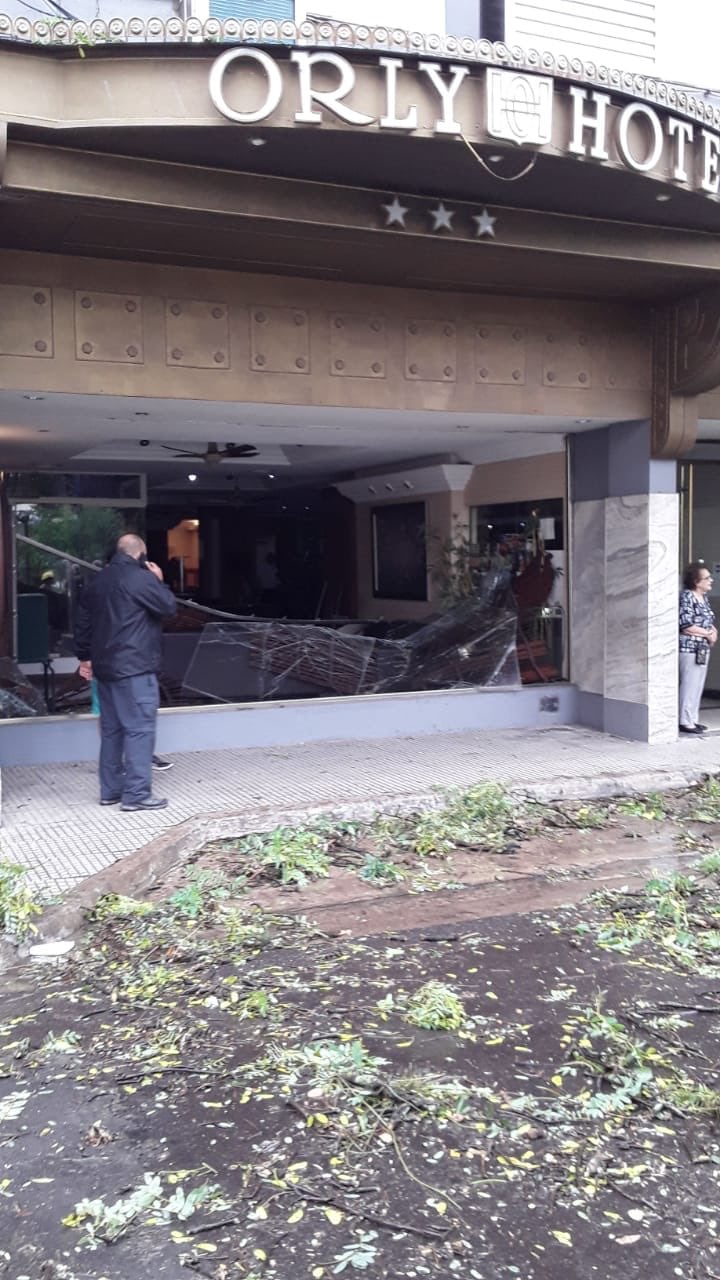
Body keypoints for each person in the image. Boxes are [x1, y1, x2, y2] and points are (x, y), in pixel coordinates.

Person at [75, 534, 177, 809]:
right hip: (134, 669)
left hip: (105, 670)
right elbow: (168, 607)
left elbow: (83, 624)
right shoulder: (142, 579)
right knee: (140, 730)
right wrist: (159, 580)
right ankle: (137, 795)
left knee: (112, 731)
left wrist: (84, 657)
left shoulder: (97, 581)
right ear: (141, 555)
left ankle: (110, 791)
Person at [679, 562, 717, 735]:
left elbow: (708, 620)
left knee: (697, 685)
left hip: (702, 649)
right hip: (689, 648)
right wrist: (708, 634)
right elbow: (686, 624)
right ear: (696, 581)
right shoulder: (687, 596)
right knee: (689, 684)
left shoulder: (704, 598)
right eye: (707, 578)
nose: (711, 580)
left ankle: (693, 719)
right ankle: (685, 721)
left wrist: (713, 632)